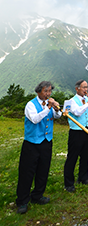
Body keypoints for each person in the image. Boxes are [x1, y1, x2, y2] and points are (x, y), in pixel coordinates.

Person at [16, 81, 61, 214]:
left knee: (43, 170)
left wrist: (56, 108)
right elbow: (35, 119)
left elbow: (57, 116)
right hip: (32, 143)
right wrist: (48, 107)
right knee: (27, 172)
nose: (48, 94)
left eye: (49, 91)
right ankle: (22, 201)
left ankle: (37, 196)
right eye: (45, 91)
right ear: (38, 91)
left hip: (46, 142)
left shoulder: (50, 104)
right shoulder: (30, 105)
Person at [63, 80, 88, 192]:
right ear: (77, 88)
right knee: (72, 157)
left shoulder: (87, 99)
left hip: (87, 129)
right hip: (76, 132)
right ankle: (68, 183)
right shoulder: (71, 101)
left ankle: (83, 178)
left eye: (87, 87)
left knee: (85, 155)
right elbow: (77, 112)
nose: (86, 90)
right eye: (84, 87)